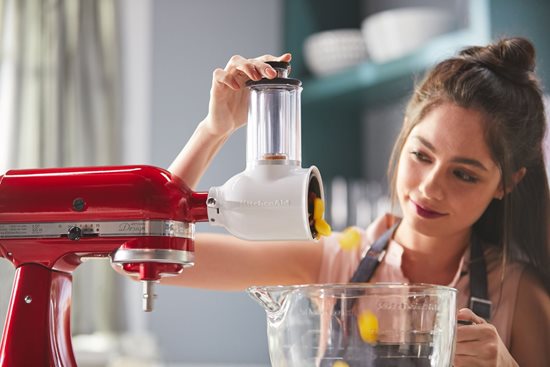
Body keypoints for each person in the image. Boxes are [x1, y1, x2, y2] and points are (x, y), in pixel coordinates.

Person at [164, 37, 550, 366]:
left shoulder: (519, 294)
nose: (431, 188)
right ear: (404, 136)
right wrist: (214, 130)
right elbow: (147, 255)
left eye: (464, 174)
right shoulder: (333, 262)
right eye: (421, 155)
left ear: (507, 183)